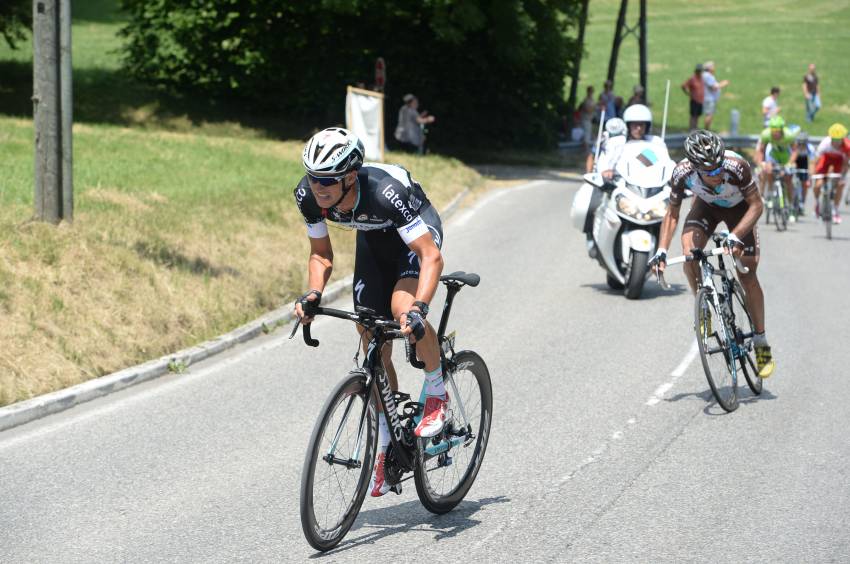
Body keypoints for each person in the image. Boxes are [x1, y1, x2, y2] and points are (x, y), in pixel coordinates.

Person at [293, 127, 447, 497]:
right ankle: (387, 438)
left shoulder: (384, 192)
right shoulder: (308, 196)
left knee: (401, 310)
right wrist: (314, 293)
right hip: (374, 241)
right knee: (370, 339)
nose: (318, 187)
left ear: (349, 175)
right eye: (314, 178)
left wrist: (419, 309)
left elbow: (431, 256)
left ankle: (437, 390)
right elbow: (321, 254)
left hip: (415, 237)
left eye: (327, 180)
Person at [650, 130, 775, 378]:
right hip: (706, 208)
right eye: (711, 173)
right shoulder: (682, 173)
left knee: (748, 275)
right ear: (696, 169)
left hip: (740, 211)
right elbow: (672, 213)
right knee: (690, 253)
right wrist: (661, 250)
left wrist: (736, 235)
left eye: (719, 170)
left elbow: (757, 205)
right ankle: (704, 305)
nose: (717, 175)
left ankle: (761, 342)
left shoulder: (736, 166)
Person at [598, 104, 670, 179]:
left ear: (647, 126)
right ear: (628, 126)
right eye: (635, 124)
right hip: (621, 183)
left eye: (641, 125)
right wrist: (606, 170)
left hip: (652, 183)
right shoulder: (617, 142)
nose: (638, 128)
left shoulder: (655, 142)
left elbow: (665, 162)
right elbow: (605, 160)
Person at [754, 116, 797, 219]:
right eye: (773, 130)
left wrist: (790, 163)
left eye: (777, 131)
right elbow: (761, 150)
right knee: (768, 171)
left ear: (782, 129)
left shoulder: (789, 135)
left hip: (786, 157)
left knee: (788, 179)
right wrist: (761, 163)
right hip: (772, 156)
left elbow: (795, 151)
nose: (775, 133)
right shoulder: (766, 134)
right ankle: (769, 194)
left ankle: (791, 206)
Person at [812, 123, 850, 223]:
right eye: (834, 140)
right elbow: (815, 161)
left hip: (839, 162)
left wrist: (842, 177)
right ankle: (817, 203)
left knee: (841, 185)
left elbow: (845, 164)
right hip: (825, 160)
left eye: (839, 140)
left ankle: (835, 210)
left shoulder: (847, 147)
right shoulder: (825, 144)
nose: (837, 143)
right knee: (818, 184)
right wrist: (812, 174)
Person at [791, 131, 815, 216]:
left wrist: (811, 175)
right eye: (799, 143)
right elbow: (791, 160)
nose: (801, 145)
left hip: (804, 163)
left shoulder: (810, 148)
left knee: (805, 184)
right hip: (796, 162)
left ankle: (802, 203)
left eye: (803, 144)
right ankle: (792, 201)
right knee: (792, 183)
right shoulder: (794, 147)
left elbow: (812, 162)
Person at [701, 61, 729, 130]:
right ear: (709, 68)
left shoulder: (705, 75)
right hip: (709, 98)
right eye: (713, 66)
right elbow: (714, 87)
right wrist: (723, 84)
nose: (714, 68)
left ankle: (707, 129)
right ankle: (706, 130)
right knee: (709, 114)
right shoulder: (708, 76)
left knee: (709, 114)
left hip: (708, 98)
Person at [681, 64, 704, 131]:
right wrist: (688, 93)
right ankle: (691, 128)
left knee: (697, 115)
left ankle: (695, 127)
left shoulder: (702, 78)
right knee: (693, 115)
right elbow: (683, 86)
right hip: (694, 100)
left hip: (700, 100)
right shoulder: (692, 79)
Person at [580, 85, 597, 172]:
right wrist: (595, 108)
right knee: (586, 136)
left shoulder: (591, 100)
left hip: (590, 120)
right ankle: (587, 153)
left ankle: (587, 152)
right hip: (586, 119)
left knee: (590, 135)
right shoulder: (586, 100)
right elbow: (588, 109)